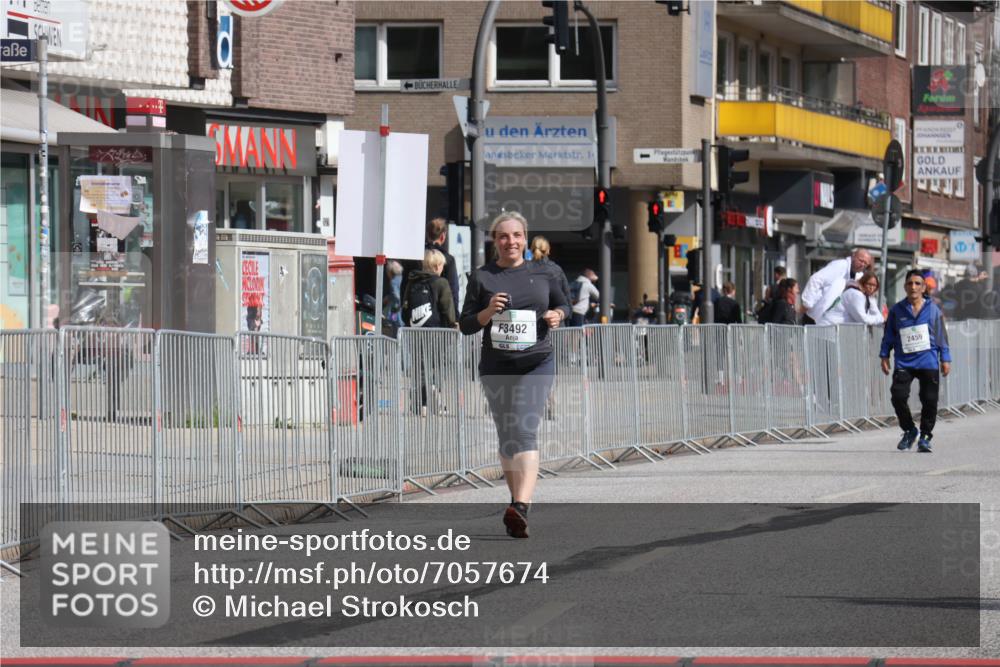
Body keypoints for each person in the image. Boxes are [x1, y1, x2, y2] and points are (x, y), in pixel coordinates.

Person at [459, 211, 570, 538]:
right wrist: (488, 310)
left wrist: (556, 315)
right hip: (497, 366)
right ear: (495, 241)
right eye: (504, 236)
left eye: (517, 235)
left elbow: (564, 303)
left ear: (525, 238)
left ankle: (521, 505)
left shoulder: (546, 271)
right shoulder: (482, 278)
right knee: (508, 436)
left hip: (536, 361)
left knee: (524, 428)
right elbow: (466, 325)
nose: (511, 242)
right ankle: (515, 503)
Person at [879, 269, 951, 453]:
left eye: (917, 283)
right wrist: (884, 355)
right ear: (905, 286)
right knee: (898, 396)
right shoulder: (896, 310)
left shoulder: (933, 309)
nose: (913, 287)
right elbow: (888, 335)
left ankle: (925, 436)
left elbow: (942, 336)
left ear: (923, 287)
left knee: (929, 400)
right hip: (905, 362)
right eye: (910, 283)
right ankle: (910, 430)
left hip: (928, 361)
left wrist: (945, 359)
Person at [401, 217, 460, 311]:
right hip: (438, 314)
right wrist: (455, 316)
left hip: (414, 313)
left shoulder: (414, 257)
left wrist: (404, 310)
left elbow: (404, 285)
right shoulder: (447, 259)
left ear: (427, 234)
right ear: (443, 236)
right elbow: (453, 291)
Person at [801, 248, 874, 325]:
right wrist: (807, 303)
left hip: (832, 322)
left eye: (865, 263)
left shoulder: (859, 276)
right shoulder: (840, 266)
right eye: (861, 260)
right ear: (853, 256)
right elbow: (816, 279)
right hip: (815, 317)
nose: (862, 264)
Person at [402, 249, 456, 328]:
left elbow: (404, 313)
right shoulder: (441, 282)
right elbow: (448, 313)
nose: (442, 268)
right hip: (436, 335)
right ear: (437, 266)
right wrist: (452, 325)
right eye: (442, 265)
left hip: (413, 335)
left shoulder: (412, 281)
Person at [817, 270, 885, 326]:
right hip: (828, 328)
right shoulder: (856, 294)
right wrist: (879, 319)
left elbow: (877, 315)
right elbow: (862, 319)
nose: (872, 288)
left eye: (874, 286)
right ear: (863, 283)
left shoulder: (864, 296)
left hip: (834, 330)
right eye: (869, 284)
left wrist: (871, 299)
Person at [530, 235, 571, 306]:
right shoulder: (556, 269)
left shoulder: (525, 268)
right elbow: (566, 293)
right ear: (548, 249)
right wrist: (568, 313)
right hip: (555, 312)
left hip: (533, 312)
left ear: (531, 249)